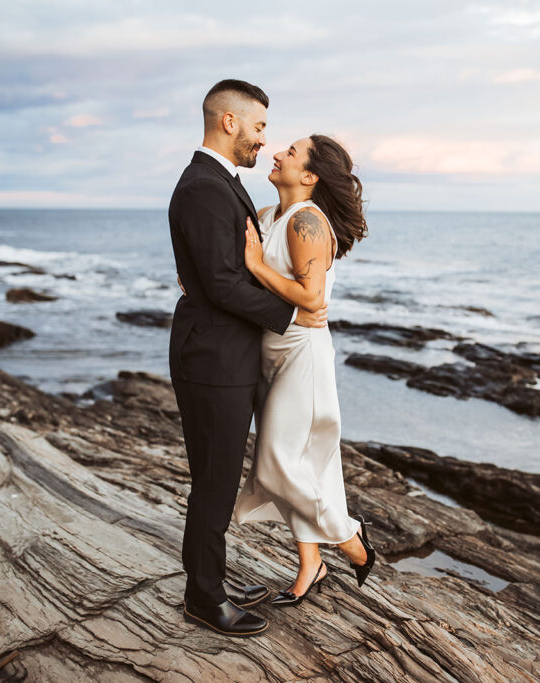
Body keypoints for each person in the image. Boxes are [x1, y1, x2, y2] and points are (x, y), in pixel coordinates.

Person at [167, 79, 327, 637]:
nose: (263, 139)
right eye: (259, 127)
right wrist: (293, 315)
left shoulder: (222, 183)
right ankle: (203, 599)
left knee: (217, 478)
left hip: (227, 355)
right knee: (213, 483)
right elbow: (220, 283)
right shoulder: (203, 187)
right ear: (229, 122)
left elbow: (219, 271)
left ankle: (210, 582)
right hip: (212, 360)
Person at [232, 134, 374, 607]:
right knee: (306, 464)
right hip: (269, 352)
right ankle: (311, 564)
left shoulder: (306, 220)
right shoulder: (269, 216)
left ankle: (351, 539)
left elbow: (312, 298)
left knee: (277, 463)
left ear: (310, 175)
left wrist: (256, 265)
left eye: (290, 153)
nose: (277, 153)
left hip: (301, 356)